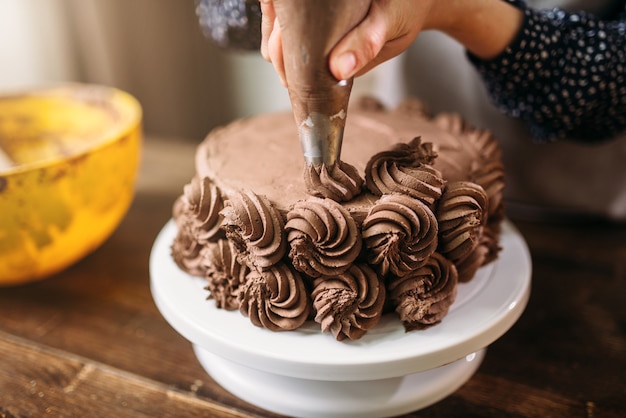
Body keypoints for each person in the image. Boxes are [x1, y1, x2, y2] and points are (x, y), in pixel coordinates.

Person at [260, 0, 626, 221]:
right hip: (406, 194)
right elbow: (222, 22)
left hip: (580, 219)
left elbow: (614, 85)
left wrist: (452, 9)